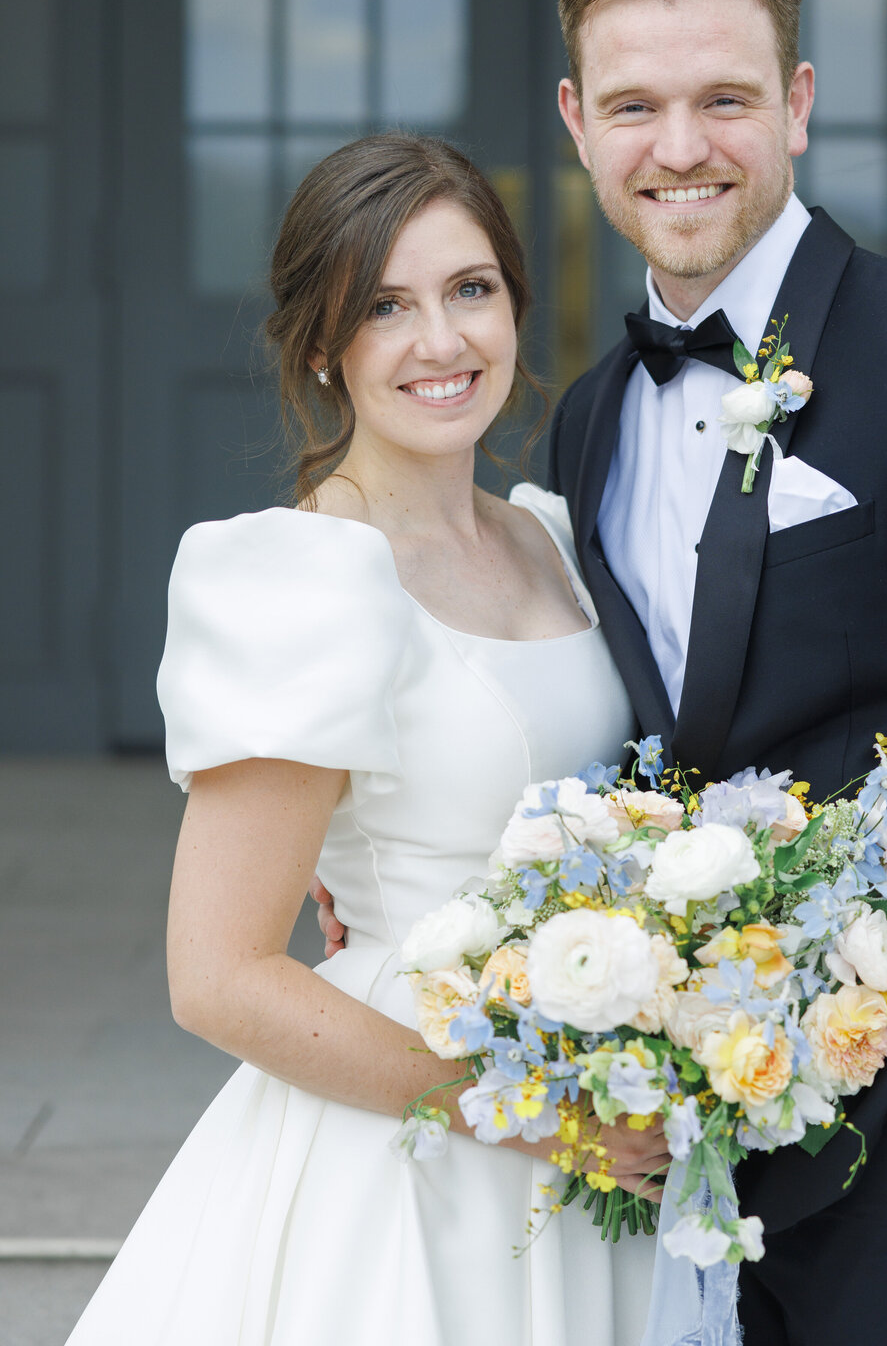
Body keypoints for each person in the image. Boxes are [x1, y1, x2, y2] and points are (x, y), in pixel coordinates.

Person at [323, 0, 887, 1345]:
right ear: (579, 124)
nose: (680, 145)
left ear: (801, 106)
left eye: (726, 99)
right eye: (635, 105)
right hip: (672, 1139)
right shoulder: (583, 421)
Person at [66, 133, 661, 1346]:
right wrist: (531, 1110)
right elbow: (219, 975)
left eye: (471, 289)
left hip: (607, 1114)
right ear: (324, 349)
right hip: (424, 1142)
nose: (441, 342)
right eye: (386, 306)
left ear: (516, 303)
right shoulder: (306, 577)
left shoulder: (552, 535)